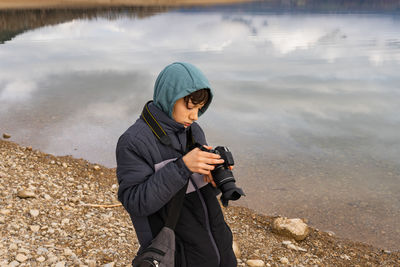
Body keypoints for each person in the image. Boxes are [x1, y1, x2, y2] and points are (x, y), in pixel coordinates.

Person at [116, 62, 237, 267]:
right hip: (178, 254)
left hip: (218, 246)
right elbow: (135, 202)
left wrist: (214, 183)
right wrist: (182, 167)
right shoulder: (134, 141)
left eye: (200, 108)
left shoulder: (193, 130)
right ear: (169, 97)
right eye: (189, 107)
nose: (195, 116)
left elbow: (195, 194)